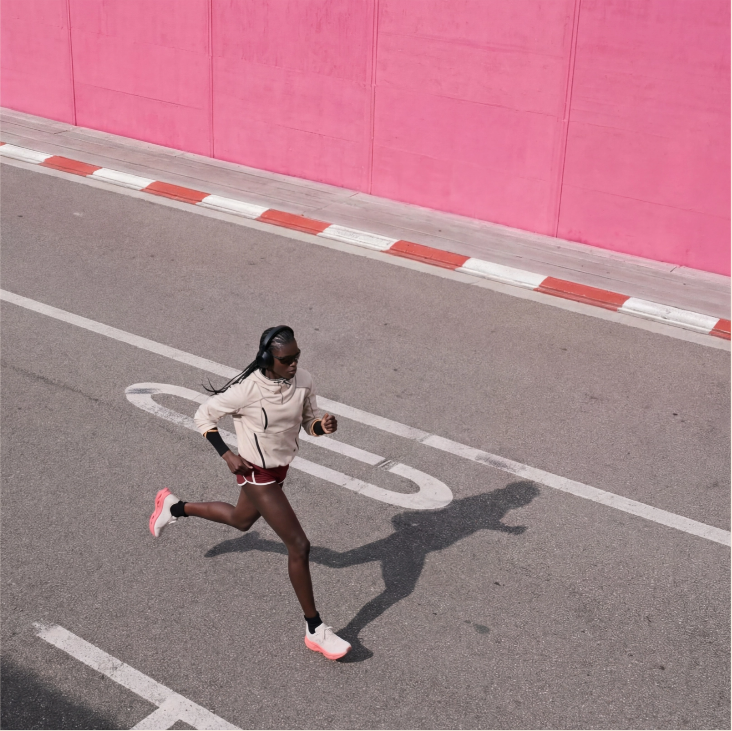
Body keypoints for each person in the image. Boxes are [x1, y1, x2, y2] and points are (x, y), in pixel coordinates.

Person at [148, 325, 351, 661]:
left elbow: (308, 421)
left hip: (280, 469)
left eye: (297, 356)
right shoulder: (246, 391)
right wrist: (227, 454)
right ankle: (315, 629)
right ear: (267, 359)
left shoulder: (304, 381)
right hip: (255, 473)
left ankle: (174, 507)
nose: (294, 364)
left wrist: (322, 427)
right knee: (299, 546)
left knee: (240, 520)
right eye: (286, 359)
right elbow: (203, 415)